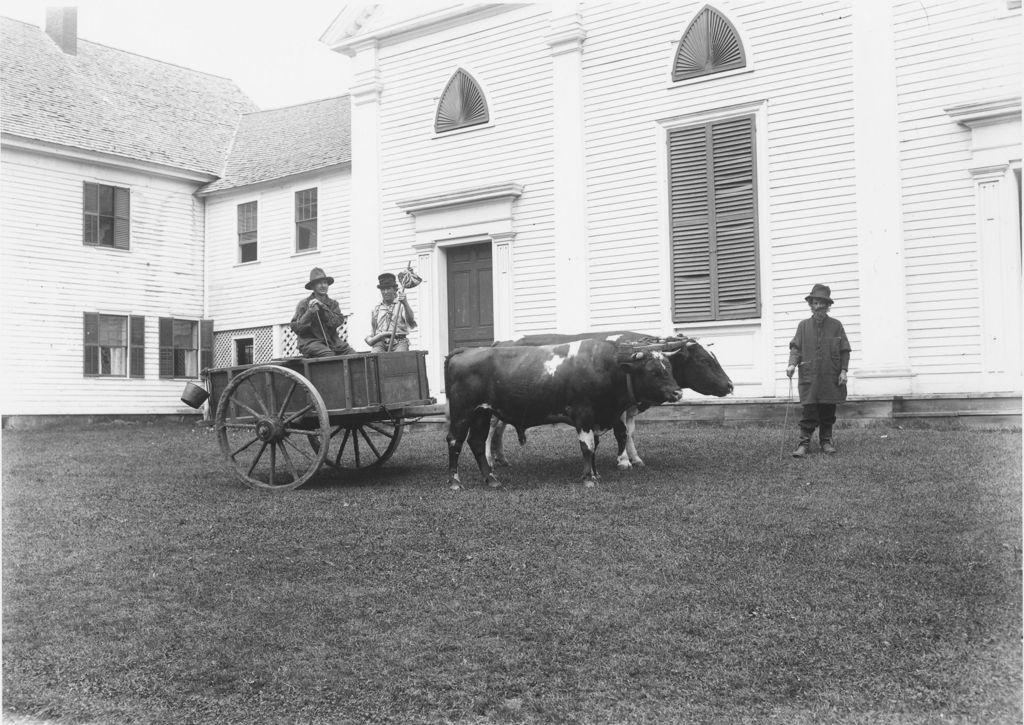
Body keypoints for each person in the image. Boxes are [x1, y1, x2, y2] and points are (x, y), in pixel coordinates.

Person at [786, 283, 851, 458]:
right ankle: (803, 443)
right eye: (815, 303)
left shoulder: (836, 326)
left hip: (830, 377)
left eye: (822, 304)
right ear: (811, 305)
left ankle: (826, 441)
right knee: (809, 412)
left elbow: (844, 350)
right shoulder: (803, 326)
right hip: (810, 377)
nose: (818, 307)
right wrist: (792, 364)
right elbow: (796, 348)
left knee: (828, 411)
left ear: (828, 306)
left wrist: (844, 371)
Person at [290, 267, 357, 358]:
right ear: (313, 287)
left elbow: (336, 322)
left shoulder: (333, 304)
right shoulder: (304, 304)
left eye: (325, 282)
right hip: (310, 342)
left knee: (353, 355)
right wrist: (310, 312)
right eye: (319, 283)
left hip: (332, 342)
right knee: (328, 355)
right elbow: (297, 328)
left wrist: (323, 308)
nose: (323, 286)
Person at [365, 272, 417, 352]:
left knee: (397, 359)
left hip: (399, 342)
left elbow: (410, 322)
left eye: (388, 288)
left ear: (395, 290)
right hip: (381, 343)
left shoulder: (401, 305)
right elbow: (373, 330)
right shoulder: (376, 309)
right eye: (383, 289)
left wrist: (405, 303)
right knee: (374, 358)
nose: (385, 292)